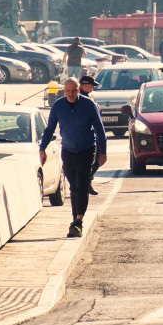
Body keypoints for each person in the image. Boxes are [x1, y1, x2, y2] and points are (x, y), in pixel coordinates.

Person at [40, 77, 107, 238]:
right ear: (64, 91)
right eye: (68, 91)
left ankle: (78, 221)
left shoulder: (88, 104)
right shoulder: (58, 106)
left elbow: (99, 128)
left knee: (82, 185)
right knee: (73, 187)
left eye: (74, 90)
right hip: (68, 151)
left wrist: (103, 152)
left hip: (87, 149)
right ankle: (75, 219)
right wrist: (42, 148)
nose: (71, 94)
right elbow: (50, 129)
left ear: (79, 89)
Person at [78, 75, 103, 196]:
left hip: (94, 132)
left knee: (97, 159)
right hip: (86, 134)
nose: (93, 87)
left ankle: (87, 181)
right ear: (84, 86)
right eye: (91, 85)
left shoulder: (89, 97)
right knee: (92, 160)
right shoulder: (80, 99)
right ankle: (86, 183)